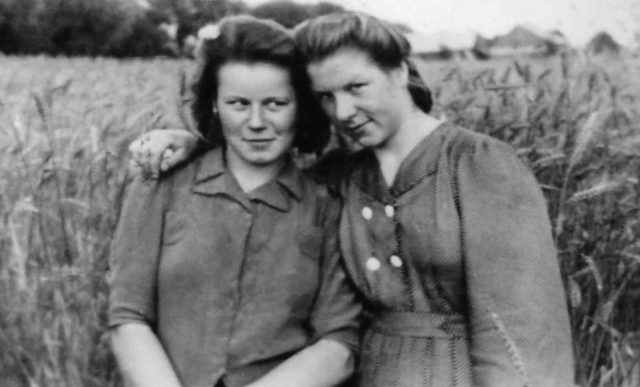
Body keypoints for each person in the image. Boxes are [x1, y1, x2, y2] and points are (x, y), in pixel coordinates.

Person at [129, 12, 575, 387]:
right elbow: (256, 159)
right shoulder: (340, 176)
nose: (342, 112)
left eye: (356, 87)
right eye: (325, 96)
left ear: (399, 71)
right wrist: (191, 142)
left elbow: (521, 336)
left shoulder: (478, 165)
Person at [108, 15, 362, 387]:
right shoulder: (160, 185)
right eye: (238, 103)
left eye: (276, 103)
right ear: (214, 104)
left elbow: (339, 343)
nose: (256, 122)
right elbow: (128, 317)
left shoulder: (328, 206)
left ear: (301, 107)